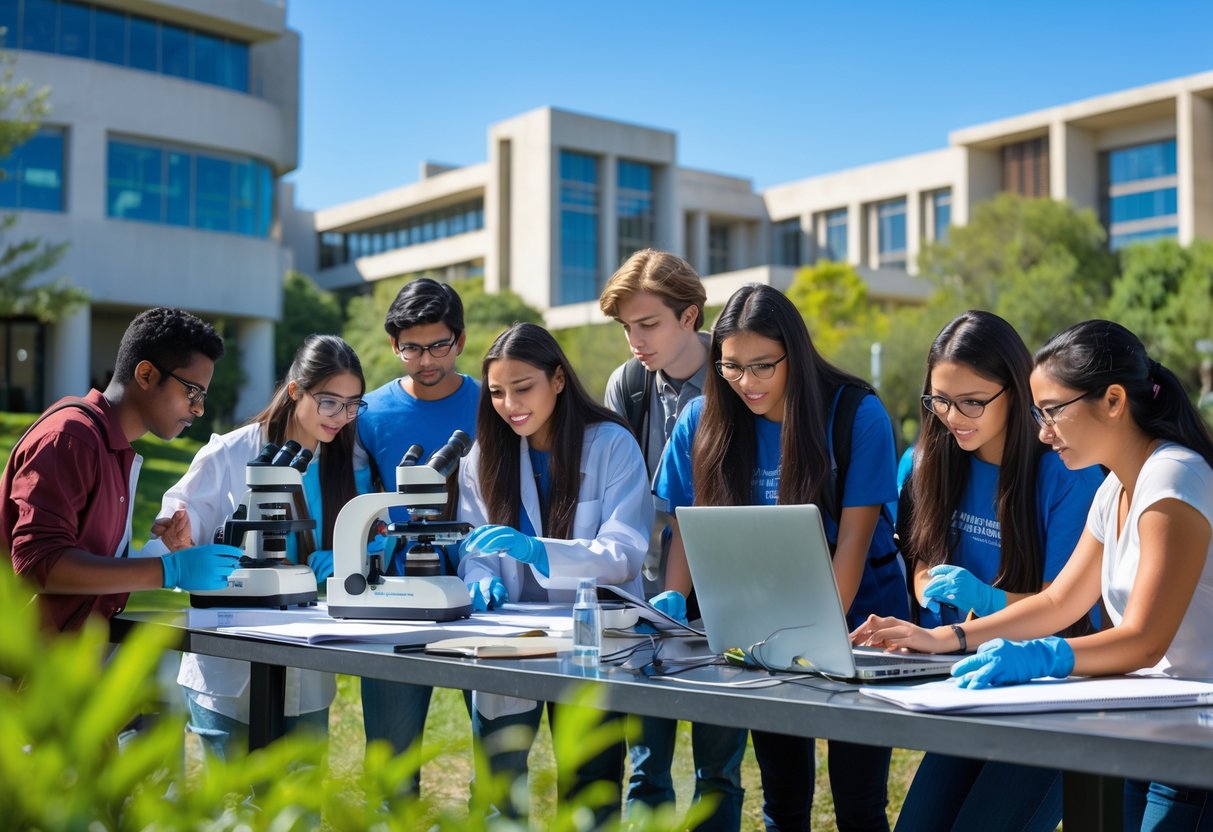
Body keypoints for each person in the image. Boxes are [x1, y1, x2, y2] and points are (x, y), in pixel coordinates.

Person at [854, 319, 1213, 830]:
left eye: (1052, 413)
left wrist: (1045, 655)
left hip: (1196, 738)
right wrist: (948, 637)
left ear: (1113, 401)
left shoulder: (1172, 476)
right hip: (1150, 724)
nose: (1043, 431)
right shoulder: (1115, 489)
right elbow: (1057, 604)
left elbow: (1144, 641)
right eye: (1038, 413)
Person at [655, 283, 907, 832]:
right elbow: (686, 532)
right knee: (783, 798)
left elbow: (854, 550)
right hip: (762, 629)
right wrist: (671, 604)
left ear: (795, 352)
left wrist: (810, 635)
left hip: (861, 622)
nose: (747, 383)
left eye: (763, 366)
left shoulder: (856, 415)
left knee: (859, 803)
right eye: (731, 368)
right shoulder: (700, 422)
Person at [892, 311, 1104, 832]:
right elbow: (920, 558)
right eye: (939, 401)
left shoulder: (1067, 472)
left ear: (1016, 390)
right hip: (969, 681)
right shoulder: (925, 462)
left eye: (972, 402)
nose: (953, 417)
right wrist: (928, 590)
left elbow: (1065, 609)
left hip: (1055, 692)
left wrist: (986, 601)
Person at [457, 322, 652, 824]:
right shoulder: (483, 455)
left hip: (593, 640)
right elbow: (474, 544)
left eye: (523, 388)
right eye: (497, 392)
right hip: (511, 639)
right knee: (501, 785)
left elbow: (624, 549)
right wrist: (478, 576)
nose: (509, 403)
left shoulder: (612, 444)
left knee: (592, 788)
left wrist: (540, 552)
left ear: (558, 379)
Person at [142, 334, 366, 758]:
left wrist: (349, 559)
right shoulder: (229, 452)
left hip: (307, 667)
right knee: (231, 811)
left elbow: (372, 542)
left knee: (296, 811)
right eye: (330, 401)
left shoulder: (349, 463)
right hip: (227, 665)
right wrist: (179, 541)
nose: (342, 416)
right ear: (296, 389)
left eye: (353, 404)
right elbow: (177, 525)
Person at [599, 249, 747, 830]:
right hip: (645, 594)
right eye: (627, 327)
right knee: (645, 767)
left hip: (727, 598)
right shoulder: (627, 385)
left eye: (648, 323)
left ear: (690, 316)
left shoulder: (741, 375)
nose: (635, 340)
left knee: (719, 768)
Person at [2, 307, 238, 634]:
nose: (198, 408)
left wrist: (165, 551)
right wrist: (168, 571)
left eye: (203, 396)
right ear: (145, 375)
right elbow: (37, 564)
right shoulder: (71, 437)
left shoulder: (112, 447)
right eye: (192, 391)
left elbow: (94, 576)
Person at [353, 278, 480, 787]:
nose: (426, 360)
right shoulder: (370, 413)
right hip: (395, 600)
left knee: (498, 764)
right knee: (390, 770)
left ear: (461, 340)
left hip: (483, 596)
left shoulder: (491, 402)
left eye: (438, 346)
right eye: (411, 348)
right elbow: (358, 504)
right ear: (393, 345)